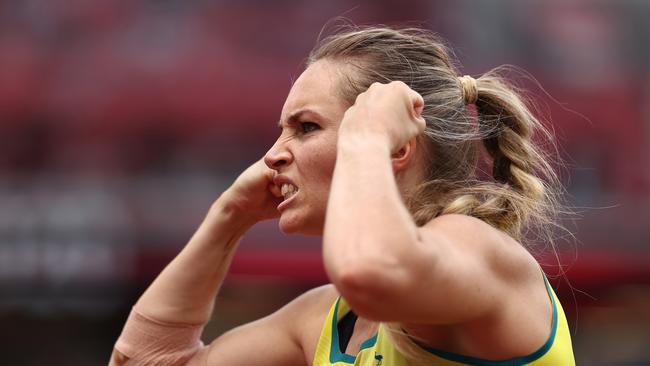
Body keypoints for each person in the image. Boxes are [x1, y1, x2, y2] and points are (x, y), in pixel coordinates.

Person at [110, 25, 575, 366]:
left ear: (398, 146)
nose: (271, 157)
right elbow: (146, 359)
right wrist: (228, 216)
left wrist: (367, 137)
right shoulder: (328, 318)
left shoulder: (476, 248)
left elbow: (370, 272)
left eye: (305, 127)